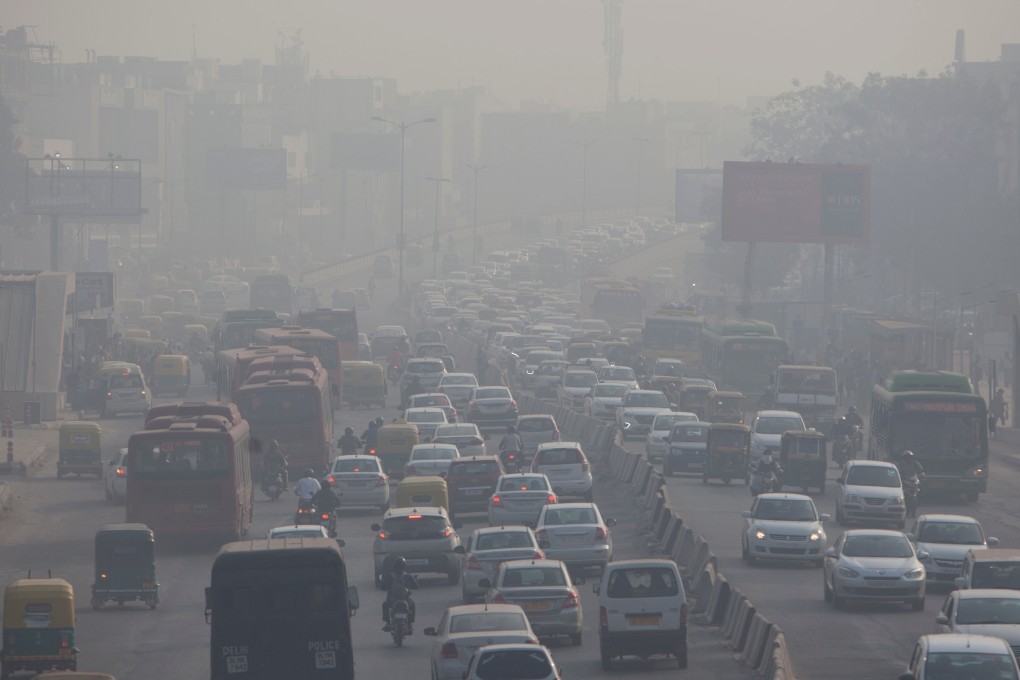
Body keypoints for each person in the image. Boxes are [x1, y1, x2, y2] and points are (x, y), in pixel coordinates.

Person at [381, 557, 418, 632]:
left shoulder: (390, 576)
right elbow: (416, 586)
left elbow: (383, 587)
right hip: (403, 599)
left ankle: (388, 623)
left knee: (385, 605)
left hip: (393, 600)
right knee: (412, 605)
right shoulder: (407, 576)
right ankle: (409, 625)